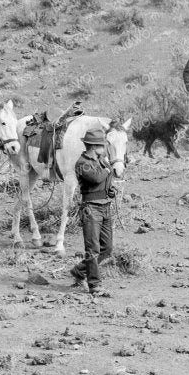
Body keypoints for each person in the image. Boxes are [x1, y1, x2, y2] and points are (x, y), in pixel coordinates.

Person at [69, 121, 116, 295]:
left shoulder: (100, 160)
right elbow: (96, 178)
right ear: (95, 146)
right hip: (91, 209)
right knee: (93, 249)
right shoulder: (82, 162)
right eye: (102, 145)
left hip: (104, 207)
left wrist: (110, 189)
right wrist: (107, 171)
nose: (104, 148)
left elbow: (103, 180)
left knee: (107, 248)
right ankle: (94, 284)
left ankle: (80, 271)